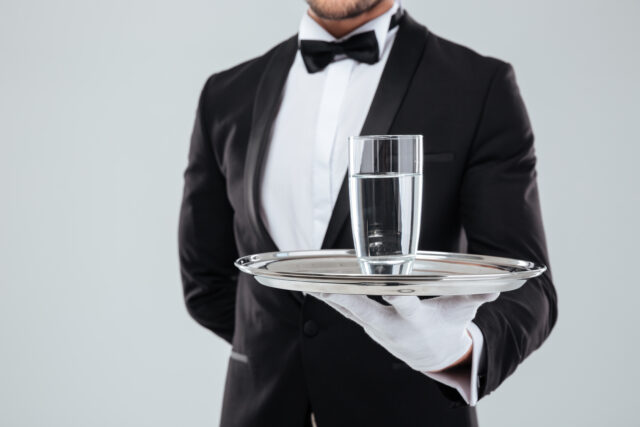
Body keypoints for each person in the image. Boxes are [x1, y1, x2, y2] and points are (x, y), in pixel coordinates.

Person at [178, 0, 558, 425]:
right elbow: (206, 281)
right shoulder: (225, 95)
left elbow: (529, 287)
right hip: (259, 411)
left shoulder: (479, 86)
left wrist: (455, 352)